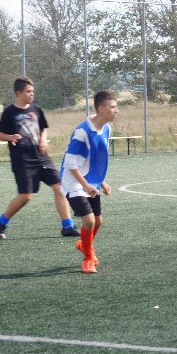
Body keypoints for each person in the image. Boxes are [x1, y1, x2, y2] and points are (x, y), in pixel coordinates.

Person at [0, 76, 79, 239]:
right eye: (28, 91)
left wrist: (42, 140)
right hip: (22, 161)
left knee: (59, 187)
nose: (32, 94)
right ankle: (1, 222)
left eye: (33, 91)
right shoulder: (10, 112)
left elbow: (43, 128)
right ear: (18, 93)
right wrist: (10, 137)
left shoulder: (36, 110)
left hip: (42, 157)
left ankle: (67, 226)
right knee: (26, 196)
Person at [59, 91, 118, 274]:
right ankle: (87, 258)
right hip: (73, 181)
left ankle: (84, 245)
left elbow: (95, 158)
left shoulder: (106, 129)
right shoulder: (82, 132)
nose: (116, 111)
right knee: (89, 220)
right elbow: (70, 163)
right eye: (113, 107)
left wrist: (101, 181)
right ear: (101, 109)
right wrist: (85, 185)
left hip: (89, 180)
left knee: (98, 221)